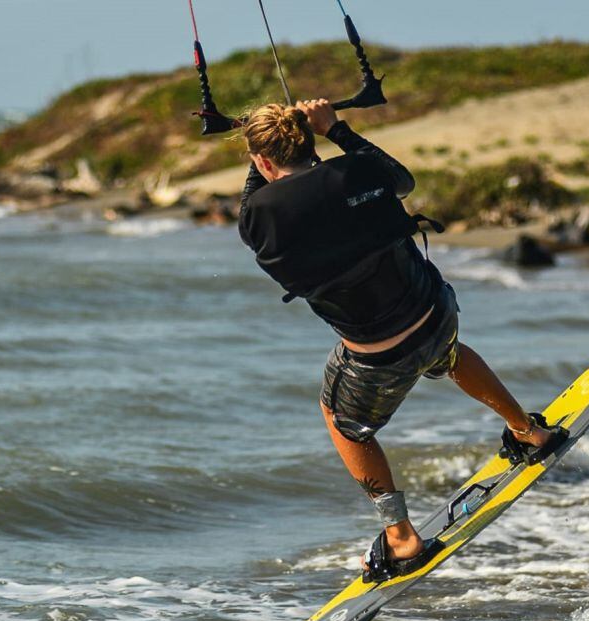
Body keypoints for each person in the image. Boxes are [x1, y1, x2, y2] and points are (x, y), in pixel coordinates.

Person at [238, 99, 561, 582]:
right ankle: (528, 432)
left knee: (343, 421)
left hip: (379, 355)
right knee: (448, 354)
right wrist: (335, 128)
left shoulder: (258, 217)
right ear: (309, 139)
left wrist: (257, 157)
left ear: (263, 163)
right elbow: (401, 180)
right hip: (437, 313)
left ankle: (401, 536)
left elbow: (255, 203)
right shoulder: (359, 172)